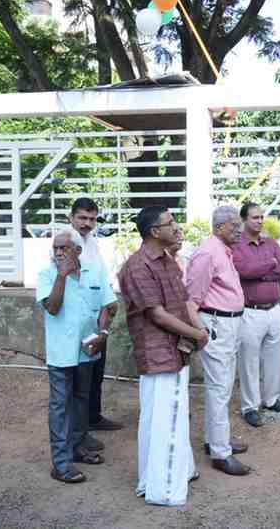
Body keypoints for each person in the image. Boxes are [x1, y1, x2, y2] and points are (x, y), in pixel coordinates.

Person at [118, 206, 207, 506]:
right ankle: (165, 491)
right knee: (163, 421)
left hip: (175, 351)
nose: (176, 227)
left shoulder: (167, 261)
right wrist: (197, 335)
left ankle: (159, 478)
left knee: (168, 418)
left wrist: (199, 329)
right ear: (155, 231)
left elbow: (182, 303)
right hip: (159, 355)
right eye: (170, 223)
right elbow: (157, 315)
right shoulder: (137, 266)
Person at [36, 229, 117, 484]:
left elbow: (108, 305)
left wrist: (103, 332)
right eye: (56, 248)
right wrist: (61, 276)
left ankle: (77, 447)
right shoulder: (47, 274)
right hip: (61, 352)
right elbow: (52, 306)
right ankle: (60, 464)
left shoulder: (95, 270)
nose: (58, 253)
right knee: (60, 406)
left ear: (78, 251)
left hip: (87, 350)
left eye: (64, 248)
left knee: (82, 399)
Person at [186, 205, 251, 476]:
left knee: (223, 385)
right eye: (234, 225)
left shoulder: (221, 250)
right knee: (219, 388)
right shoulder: (207, 252)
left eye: (239, 224)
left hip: (229, 324)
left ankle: (216, 441)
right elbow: (191, 299)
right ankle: (220, 454)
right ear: (219, 227)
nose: (239, 229)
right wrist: (201, 330)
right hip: (216, 325)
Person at [233, 202, 280, 428]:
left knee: (275, 359)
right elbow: (244, 271)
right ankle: (250, 406)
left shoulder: (271, 243)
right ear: (244, 220)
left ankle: (271, 399)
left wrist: (263, 274)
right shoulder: (237, 245)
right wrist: (270, 264)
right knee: (249, 361)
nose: (259, 221)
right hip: (250, 312)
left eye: (261, 217)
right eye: (255, 218)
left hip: (275, 310)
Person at [68, 197, 123, 433]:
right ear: (71, 217)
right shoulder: (65, 241)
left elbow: (101, 278)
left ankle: (93, 416)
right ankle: (79, 430)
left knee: (96, 370)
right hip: (75, 320)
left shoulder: (92, 242)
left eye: (91, 219)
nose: (87, 223)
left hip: (97, 317)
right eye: (82, 217)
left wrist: (107, 309)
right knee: (78, 379)